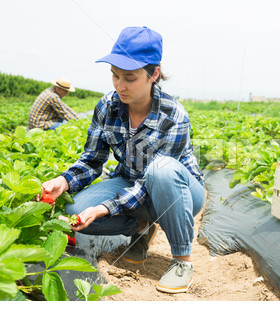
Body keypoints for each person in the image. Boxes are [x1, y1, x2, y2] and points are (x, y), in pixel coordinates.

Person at [40, 26, 206, 294]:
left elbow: (152, 179)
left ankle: (182, 261)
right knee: (73, 212)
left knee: (160, 171)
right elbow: (93, 160)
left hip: (180, 191)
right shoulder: (107, 106)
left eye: (129, 78)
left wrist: (105, 208)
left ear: (154, 74)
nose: (120, 86)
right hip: (128, 181)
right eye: (115, 76)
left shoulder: (173, 115)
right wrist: (64, 181)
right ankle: (141, 228)